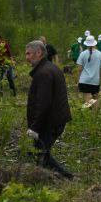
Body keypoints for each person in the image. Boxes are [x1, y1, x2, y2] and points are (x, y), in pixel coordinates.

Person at [24, 40, 74, 178]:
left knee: (40, 154)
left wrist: (34, 127)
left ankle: (66, 177)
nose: (26, 57)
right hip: (54, 120)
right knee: (39, 153)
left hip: (50, 122)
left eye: (28, 54)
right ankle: (48, 179)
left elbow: (43, 104)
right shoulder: (50, 68)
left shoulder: (43, 73)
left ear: (38, 53)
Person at [76, 35, 101, 108]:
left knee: (87, 99)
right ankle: (94, 116)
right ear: (94, 43)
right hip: (95, 80)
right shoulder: (99, 54)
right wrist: (100, 80)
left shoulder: (82, 54)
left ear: (86, 44)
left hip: (84, 80)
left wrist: (78, 81)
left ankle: (87, 115)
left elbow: (79, 69)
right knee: (95, 98)